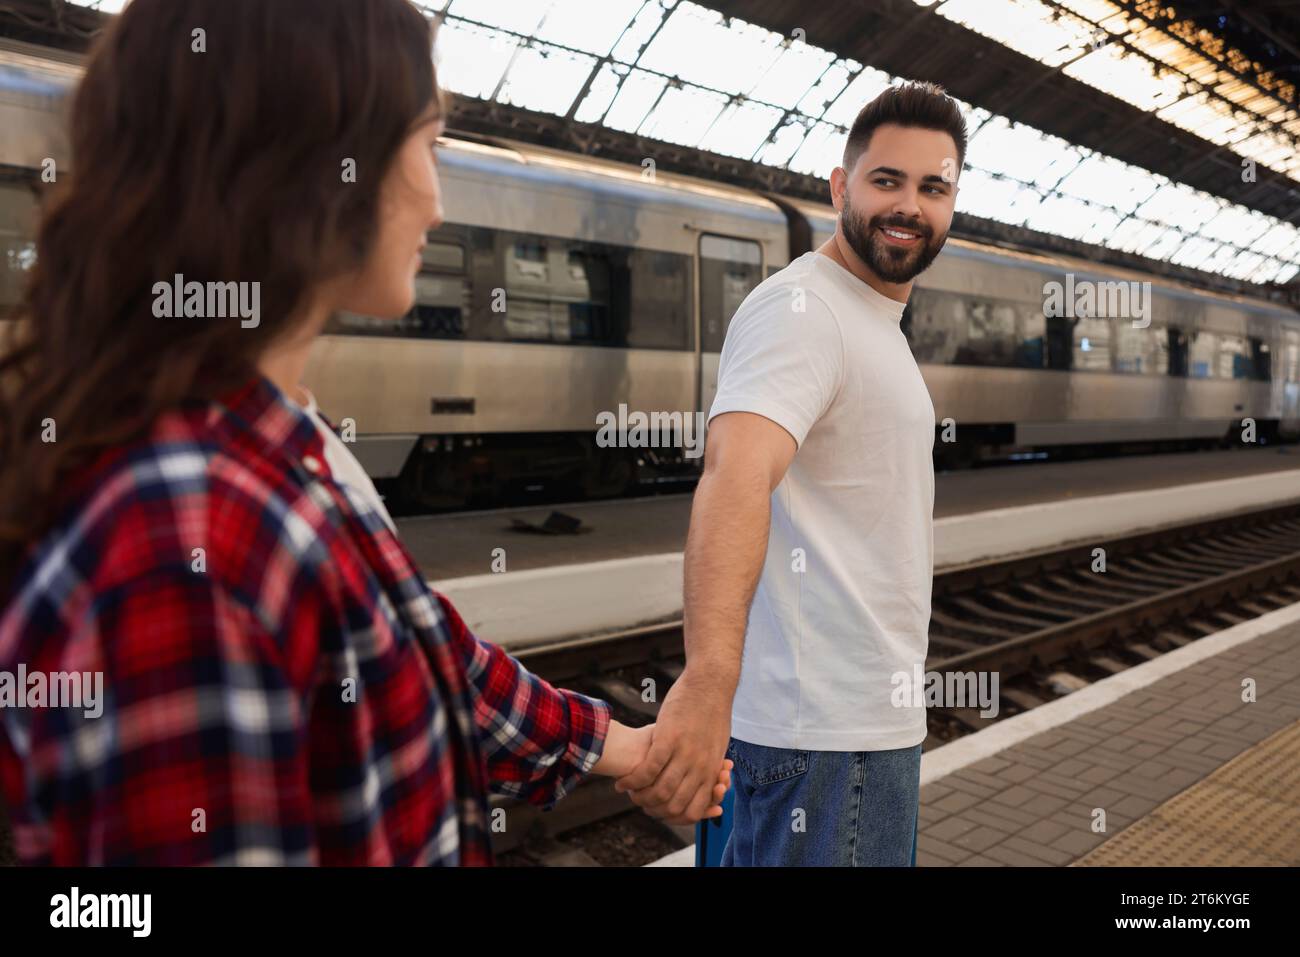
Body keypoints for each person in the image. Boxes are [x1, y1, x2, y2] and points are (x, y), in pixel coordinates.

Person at [0, 0, 729, 866]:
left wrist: (629, 748)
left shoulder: (280, 440)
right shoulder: (190, 540)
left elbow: (419, 651)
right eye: (426, 144)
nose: (437, 197)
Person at [615, 82, 967, 866]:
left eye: (932, 187)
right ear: (840, 186)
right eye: (886, 181)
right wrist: (709, 679)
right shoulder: (804, 312)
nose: (909, 205)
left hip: (847, 737)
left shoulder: (867, 318)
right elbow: (735, 477)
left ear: (952, 204)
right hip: (825, 746)